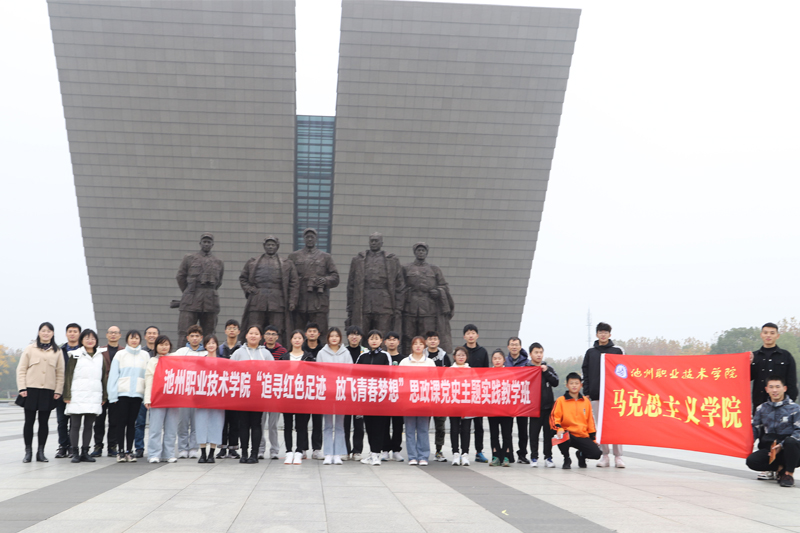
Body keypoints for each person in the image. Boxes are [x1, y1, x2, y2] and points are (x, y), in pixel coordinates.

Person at [17, 322, 65, 463]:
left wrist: (58, 390)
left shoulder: (57, 351)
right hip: (30, 390)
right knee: (29, 422)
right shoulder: (30, 349)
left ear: (53, 334)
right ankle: (28, 452)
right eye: (43, 331)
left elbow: (60, 373)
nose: (46, 333)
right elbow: (21, 369)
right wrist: (22, 388)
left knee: (43, 422)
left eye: (49, 331)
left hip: (48, 391)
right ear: (39, 332)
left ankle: (41, 452)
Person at [238, 235, 299, 345]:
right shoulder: (253, 262)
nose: (270, 247)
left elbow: (294, 283)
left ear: (277, 247)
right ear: (264, 246)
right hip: (257, 299)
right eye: (268, 245)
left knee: (277, 330)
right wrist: (248, 288)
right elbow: (243, 278)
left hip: (277, 301)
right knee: (255, 328)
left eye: (273, 245)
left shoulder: (287, 263)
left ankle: (277, 354)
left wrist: (292, 301)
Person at [581, 322, 625, 468]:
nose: (603, 335)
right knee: (601, 427)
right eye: (600, 332)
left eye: (605, 332)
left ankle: (618, 457)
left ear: (610, 335)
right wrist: (587, 392)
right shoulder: (591, 352)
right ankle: (605, 456)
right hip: (596, 395)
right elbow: (585, 373)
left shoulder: (617, 351)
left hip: (614, 396)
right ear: (597, 334)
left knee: (616, 426)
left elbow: (624, 371)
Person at [401, 242, 455, 354]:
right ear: (414, 252)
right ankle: (407, 359)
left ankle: (426, 360)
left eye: (423, 250)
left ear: (426, 253)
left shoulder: (434, 269)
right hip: (410, 309)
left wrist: (438, 292)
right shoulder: (406, 268)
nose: (421, 252)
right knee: (408, 337)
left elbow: (444, 286)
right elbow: (399, 286)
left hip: (428, 310)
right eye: (418, 250)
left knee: (426, 337)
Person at [346, 232, 404, 336]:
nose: (373, 243)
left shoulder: (392, 260)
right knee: (361, 334)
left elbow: (400, 285)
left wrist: (398, 308)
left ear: (382, 243)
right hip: (364, 302)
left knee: (383, 334)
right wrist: (350, 308)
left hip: (384, 303)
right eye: (371, 241)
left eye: (376, 241)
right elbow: (351, 286)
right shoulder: (358, 260)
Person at [746, 375, 800, 487]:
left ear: (784, 388)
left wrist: (781, 445)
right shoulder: (762, 409)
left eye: (777, 386)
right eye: (771, 387)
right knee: (751, 461)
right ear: (766, 389)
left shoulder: (795, 408)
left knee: (791, 441)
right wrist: (743, 442)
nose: (774, 390)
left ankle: (788, 474)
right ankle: (780, 468)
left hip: (790, 449)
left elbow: (798, 431)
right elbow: (754, 429)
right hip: (770, 448)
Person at [63, 329, 108, 463]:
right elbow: (68, 376)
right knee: (75, 425)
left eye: (93, 338)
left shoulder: (100, 356)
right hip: (77, 394)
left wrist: (104, 396)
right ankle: (75, 452)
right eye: (87, 338)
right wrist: (67, 394)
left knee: (89, 426)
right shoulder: (75, 355)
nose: (90, 340)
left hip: (94, 395)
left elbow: (103, 378)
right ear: (82, 340)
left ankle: (85, 452)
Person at [231, 325, 274, 463]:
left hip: (258, 395)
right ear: (246, 335)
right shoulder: (238, 352)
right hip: (243, 394)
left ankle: (254, 453)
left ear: (261, 337)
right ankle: (244, 453)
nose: (253, 336)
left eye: (256, 333)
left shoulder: (266, 353)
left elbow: (273, 372)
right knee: (243, 424)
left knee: (256, 424)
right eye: (251, 333)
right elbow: (230, 371)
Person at [288, 228, 340, 340]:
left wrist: (325, 280)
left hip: (318, 301)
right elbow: (288, 278)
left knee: (320, 333)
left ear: (316, 239)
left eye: (312, 237)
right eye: (307, 237)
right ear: (304, 239)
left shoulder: (326, 257)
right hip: (300, 301)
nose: (310, 239)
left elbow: (335, 278)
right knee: (297, 333)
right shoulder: (294, 256)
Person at [107, 330, 149, 462]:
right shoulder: (120, 355)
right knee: (121, 423)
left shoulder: (145, 355)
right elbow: (113, 376)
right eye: (132, 338)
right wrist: (113, 396)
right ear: (127, 340)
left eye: (136, 338)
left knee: (132, 424)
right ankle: (120, 451)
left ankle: (129, 451)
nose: (134, 340)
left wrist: (145, 395)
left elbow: (147, 377)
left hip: (137, 395)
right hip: (122, 394)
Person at [176, 232, 224, 344]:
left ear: (212, 244)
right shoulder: (189, 258)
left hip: (210, 299)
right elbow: (180, 277)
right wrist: (188, 292)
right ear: (200, 243)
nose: (206, 244)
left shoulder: (218, 262)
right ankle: (182, 356)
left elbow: (218, 282)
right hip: (191, 297)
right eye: (204, 242)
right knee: (185, 331)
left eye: (209, 242)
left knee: (209, 332)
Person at [551, 372, 602, 469]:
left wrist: (593, 438)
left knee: (597, 453)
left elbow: (590, 421)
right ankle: (566, 458)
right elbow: (554, 417)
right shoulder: (561, 400)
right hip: (568, 434)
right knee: (562, 437)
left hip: (582, 434)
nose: (574, 386)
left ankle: (581, 454)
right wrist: (558, 428)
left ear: (581, 385)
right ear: (567, 385)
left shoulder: (586, 401)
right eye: (571, 383)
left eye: (576, 383)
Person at [356, 329, 392, 466]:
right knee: (369, 426)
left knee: (379, 426)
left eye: (377, 338)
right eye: (371, 338)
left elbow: (389, 375)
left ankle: (377, 453)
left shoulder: (385, 356)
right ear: (368, 341)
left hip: (380, 398)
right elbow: (356, 375)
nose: (374, 341)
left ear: (381, 340)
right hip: (366, 398)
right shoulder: (363, 356)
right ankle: (372, 453)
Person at [173, 325, 208, 459]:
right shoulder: (181, 352)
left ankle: (193, 447)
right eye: (192, 336)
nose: (194, 338)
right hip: (183, 393)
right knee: (182, 422)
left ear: (201, 338)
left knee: (196, 422)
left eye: (197, 336)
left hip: (199, 393)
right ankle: (182, 448)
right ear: (187, 338)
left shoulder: (205, 353)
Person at [317, 327, 351, 465]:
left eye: (337, 336)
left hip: (341, 392)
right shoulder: (321, 353)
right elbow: (318, 372)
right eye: (331, 336)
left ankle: (338, 453)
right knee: (327, 424)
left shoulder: (346, 353)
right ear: (328, 338)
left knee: (339, 425)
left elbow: (349, 372)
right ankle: (328, 453)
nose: (334, 338)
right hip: (327, 392)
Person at [144, 335, 180, 463]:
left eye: (166, 344)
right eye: (161, 344)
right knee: (155, 428)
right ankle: (154, 454)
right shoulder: (153, 361)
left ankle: (168, 454)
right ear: (156, 346)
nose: (164, 347)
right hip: (157, 399)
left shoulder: (175, 360)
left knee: (171, 428)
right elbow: (149, 380)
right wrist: (147, 399)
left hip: (172, 399)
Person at [400, 336, 435, 465]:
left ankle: (423, 456)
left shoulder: (430, 362)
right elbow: (400, 381)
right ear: (412, 346)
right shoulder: (404, 362)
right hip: (408, 401)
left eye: (421, 344)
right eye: (416, 344)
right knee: (409, 429)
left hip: (424, 400)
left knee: (423, 429)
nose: (418, 346)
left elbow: (434, 381)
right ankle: (412, 456)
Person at [281, 330, 315, 465]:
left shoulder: (309, 357)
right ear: (291, 340)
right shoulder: (284, 357)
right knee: (287, 425)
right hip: (287, 396)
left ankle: (299, 451)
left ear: (303, 340)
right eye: (294, 338)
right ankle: (289, 451)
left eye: (299, 338)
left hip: (303, 397)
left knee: (301, 426)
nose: (297, 340)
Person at [91, 325, 122, 457]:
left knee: (114, 420)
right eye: (111, 333)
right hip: (101, 390)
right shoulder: (99, 351)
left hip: (117, 390)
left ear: (120, 335)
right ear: (107, 335)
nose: (113, 335)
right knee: (99, 421)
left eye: (116, 333)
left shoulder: (123, 351)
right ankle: (98, 446)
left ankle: (112, 446)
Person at [527, 342, 559, 468]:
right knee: (533, 435)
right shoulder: (526, 368)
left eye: (541, 352)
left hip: (548, 408)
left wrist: (546, 372)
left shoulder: (548, 368)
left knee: (548, 435)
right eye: (536, 352)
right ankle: (534, 457)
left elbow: (555, 382)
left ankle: (548, 457)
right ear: (530, 354)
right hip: (534, 409)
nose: (539, 355)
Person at [195, 335, 225, 463]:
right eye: (209, 343)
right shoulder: (200, 361)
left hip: (217, 397)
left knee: (216, 424)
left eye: (214, 343)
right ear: (205, 345)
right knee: (201, 423)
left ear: (217, 345)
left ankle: (212, 453)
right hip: (202, 396)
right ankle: (202, 453)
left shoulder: (222, 362)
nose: (211, 345)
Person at [258, 325, 285, 460]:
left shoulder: (283, 352)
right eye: (268, 334)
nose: (270, 336)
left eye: (273, 334)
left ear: (277, 337)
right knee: (260, 424)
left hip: (275, 394)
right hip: (261, 393)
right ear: (264, 336)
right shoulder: (259, 351)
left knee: (273, 425)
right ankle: (260, 449)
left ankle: (274, 450)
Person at [463, 324, 489, 463]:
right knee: (464, 425)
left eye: (473, 332)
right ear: (464, 336)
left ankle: (479, 451)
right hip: (463, 393)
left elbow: (486, 373)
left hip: (478, 393)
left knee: (479, 425)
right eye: (468, 333)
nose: (471, 335)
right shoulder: (461, 351)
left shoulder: (483, 352)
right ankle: (463, 452)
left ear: (477, 335)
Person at [55, 323, 81, 459]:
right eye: (70, 331)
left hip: (77, 391)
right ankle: (62, 446)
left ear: (79, 334)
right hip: (62, 390)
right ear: (66, 334)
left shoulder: (83, 351)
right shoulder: (60, 351)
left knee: (74, 421)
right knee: (61, 421)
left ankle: (72, 446)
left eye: (75, 331)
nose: (72, 334)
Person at [133, 325, 159, 459]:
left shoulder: (162, 353)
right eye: (149, 333)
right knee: (140, 422)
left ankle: (155, 449)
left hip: (159, 393)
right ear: (145, 336)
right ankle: (139, 448)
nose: (152, 335)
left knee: (157, 423)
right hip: (143, 391)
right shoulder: (140, 353)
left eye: (154, 333)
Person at [216, 319, 241, 459]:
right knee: (222, 420)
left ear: (238, 331)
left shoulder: (242, 349)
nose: (232, 330)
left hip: (237, 390)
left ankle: (233, 448)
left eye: (234, 328)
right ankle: (222, 447)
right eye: (229, 328)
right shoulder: (220, 349)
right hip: (222, 388)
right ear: (225, 331)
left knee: (235, 420)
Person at [425, 331, 450, 462]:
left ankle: (439, 451)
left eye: (435, 339)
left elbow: (449, 375)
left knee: (440, 425)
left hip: (440, 396)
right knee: (424, 424)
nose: (433, 341)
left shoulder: (444, 356)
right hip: (425, 395)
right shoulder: (422, 355)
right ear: (426, 341)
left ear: (439, 341)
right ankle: (423, 451)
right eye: (430, 339)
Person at [343, 325, 367, 460]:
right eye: (351, 334)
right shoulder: (343, 352)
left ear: (361, 337)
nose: (354, 337)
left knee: (359, 424)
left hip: (359, 393)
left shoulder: (365, 352)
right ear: (347, 337)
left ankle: (357, 451)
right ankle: (345, 450)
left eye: (357, 334)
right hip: (345, 392)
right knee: (345, 424)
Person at [505, 337, 530, 464]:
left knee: (523, 429)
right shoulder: (504, 362)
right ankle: (508, 453)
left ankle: (522, 454)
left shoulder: (527, 363)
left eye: (516, 345)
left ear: (520, 347)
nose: (514, 347)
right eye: (512, 345)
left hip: (522, 400)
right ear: (508, 347)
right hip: (508, 400)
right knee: (507, 429)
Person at [303, 322, 325, 460]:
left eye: (314, 331)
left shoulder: (324, 350)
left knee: (318, 421)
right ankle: (303, 448)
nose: (312, 333)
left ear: (318, 334)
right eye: (309, 331)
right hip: (304, 390)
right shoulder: (300, 349)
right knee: (302, 421)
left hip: (319, 390)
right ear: (306, 334)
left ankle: (317, 449)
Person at [382, 331, 405, 462]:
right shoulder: (382, 357)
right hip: (384, 396)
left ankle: (396, 450)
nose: (391, 342)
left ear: (398, 342)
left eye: (394, 339)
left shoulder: (404, 359)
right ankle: (384, 450)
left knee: (398, 425)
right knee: (384, 424)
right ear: (385, 342)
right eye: (389, 339)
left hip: (398, 397)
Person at [489, 349, 513, 467]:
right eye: (495, 358)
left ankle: (506, 456)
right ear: (492, 360)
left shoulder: (510, 373)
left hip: (507, 409)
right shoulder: (488, 374)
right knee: (494, 434)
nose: (497, 360)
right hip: (492, 409)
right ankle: (496, 456)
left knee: (506, 434)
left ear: (504, 360)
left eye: (499, 358)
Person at [448, 346, 471, 466]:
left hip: (467, 404)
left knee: (466, 430)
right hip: (454, 404)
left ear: (466, 357)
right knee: (454, 429)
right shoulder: (449, 370)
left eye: (463, 355)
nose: (461, 357)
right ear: (454, 357)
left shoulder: (471, 370)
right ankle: (455, 453)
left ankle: (465, 454)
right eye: (458, 355)